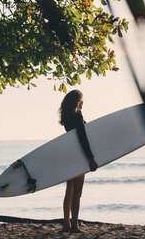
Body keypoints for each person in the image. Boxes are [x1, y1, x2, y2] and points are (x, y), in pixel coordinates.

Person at [59, 90, 98, 233]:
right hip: (79, 155)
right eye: (81, 99)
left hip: (69, 155)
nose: (83, 102)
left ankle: (66, 224)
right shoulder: (77, 115)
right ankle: (74, 226)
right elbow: (82, 137)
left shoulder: (67, 117)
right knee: (77, 193)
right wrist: (90, 157)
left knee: (69, 190)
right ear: (78, 101)